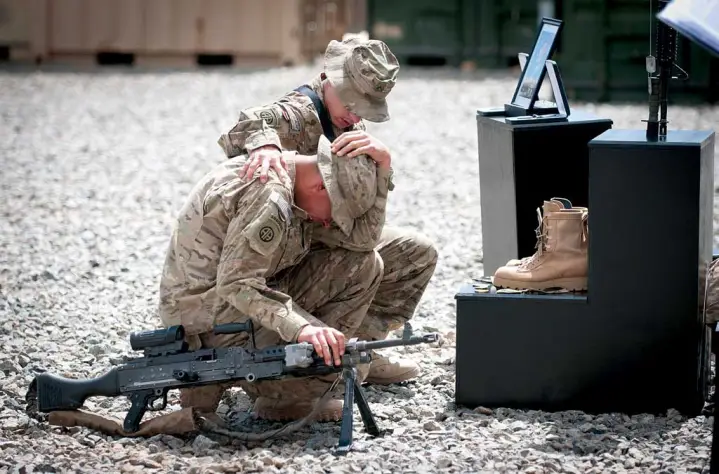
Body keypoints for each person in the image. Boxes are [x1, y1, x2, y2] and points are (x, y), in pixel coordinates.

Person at [216, 36, 438, 387]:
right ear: (329, 80)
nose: (356, 113)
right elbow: (249, 123)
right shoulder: (300, 112)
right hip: (271, 256)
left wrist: (383, 164)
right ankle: (310, 374)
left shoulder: (348, 122)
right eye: (351, 101)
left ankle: (361, 348)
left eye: (364, 107)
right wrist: (266, 146)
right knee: (364, 263)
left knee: (415, 252)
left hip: (316, 236)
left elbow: (363, 230)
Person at [159, 135, 389, 422]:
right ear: (320, 187)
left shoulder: (292, 175)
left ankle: (284, 385)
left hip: (216, 303)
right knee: (355, 273)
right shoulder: (270, 194)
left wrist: (384, 168)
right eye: (335, 213)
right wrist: (304, 328)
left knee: (362, 263)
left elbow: (362, 242)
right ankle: (286, 393)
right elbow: (236, 283)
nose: (330, 222)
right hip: (208, 323)